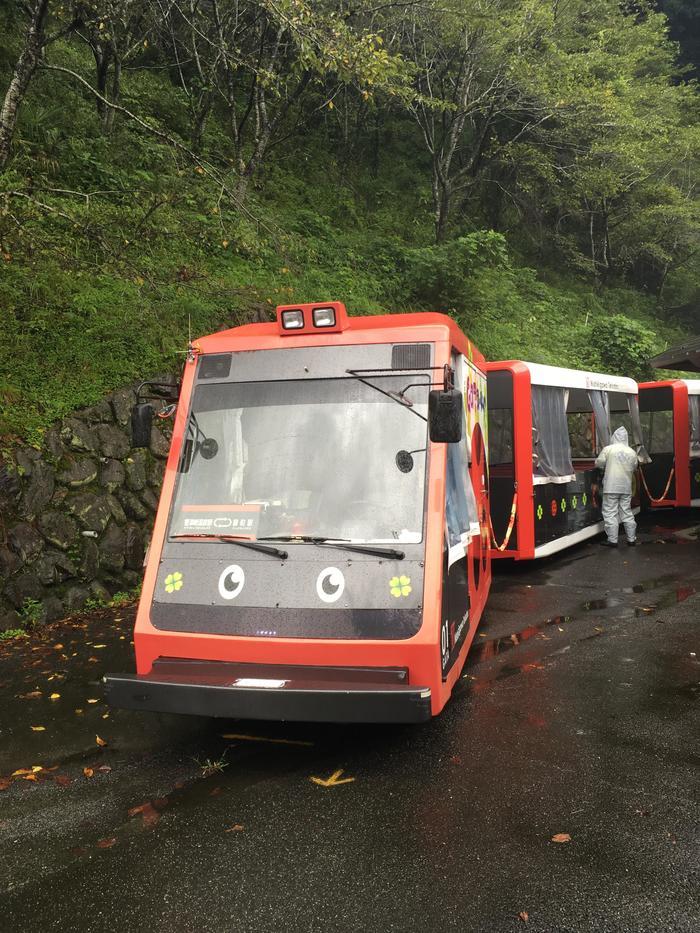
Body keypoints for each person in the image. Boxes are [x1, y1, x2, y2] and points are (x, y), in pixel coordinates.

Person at [595, 426, 639, 547]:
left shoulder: (608, 449)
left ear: (614, 437)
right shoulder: (632, 452)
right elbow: (635, 467)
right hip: (626, 487)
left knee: (610, 512)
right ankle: (631, 539)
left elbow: (598, 462)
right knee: (626, 512)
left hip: (611, 487)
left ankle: (613, 540)